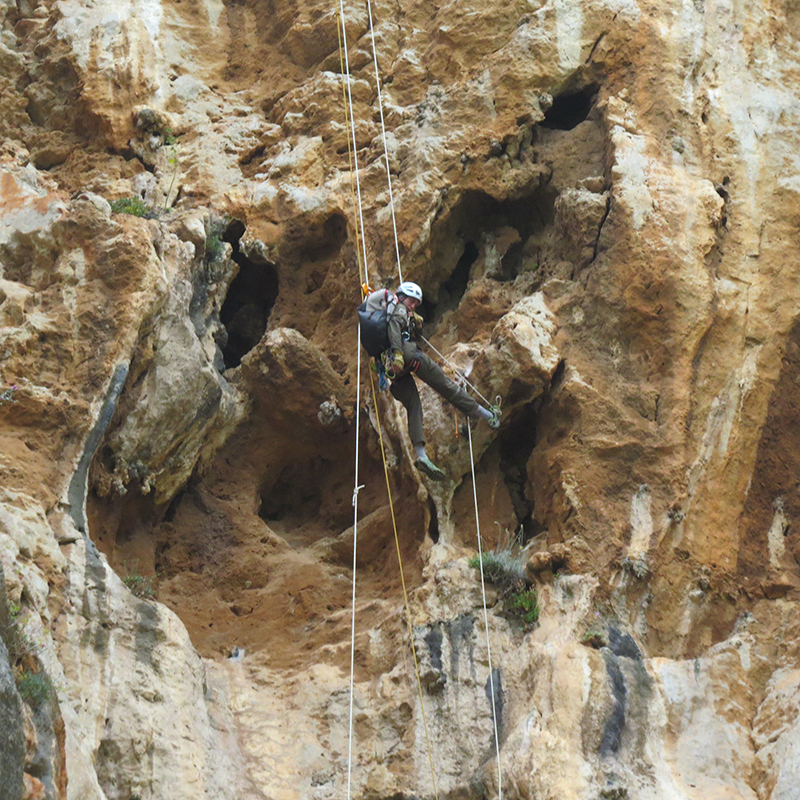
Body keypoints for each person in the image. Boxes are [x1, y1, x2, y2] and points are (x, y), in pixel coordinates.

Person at [363, 281, 501, 481]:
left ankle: (421, 455)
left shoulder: (394, 314)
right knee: (446, 386)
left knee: (413, 406)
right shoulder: (399, 310)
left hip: (394, 370)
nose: (413, 306)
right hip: (409, 358)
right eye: (412, 301)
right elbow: (395, 327)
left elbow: (405, 331)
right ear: (401, 297)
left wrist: (414, 323)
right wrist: (399, 353)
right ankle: (488, 415)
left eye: (416, 304)